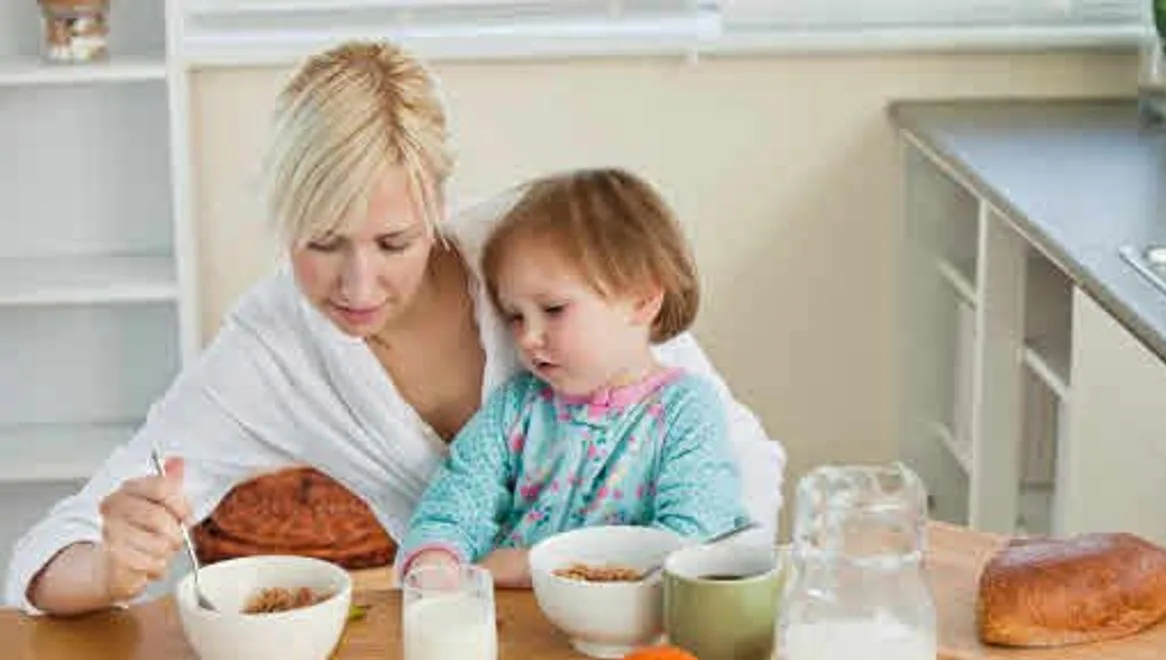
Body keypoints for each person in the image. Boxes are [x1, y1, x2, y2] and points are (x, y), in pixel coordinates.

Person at [4, 40, 785, 617]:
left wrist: (691, 594)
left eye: (394, 243)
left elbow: (739, 453)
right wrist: (109, 566)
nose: (357, 285)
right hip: (463, 645)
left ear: (438, 200)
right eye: (320, 243)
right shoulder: (272, 350)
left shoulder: (548, 254)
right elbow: (44, 559)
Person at [398, 167, 751, 579]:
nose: (528, 337)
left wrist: (537, 565)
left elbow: (693, 539)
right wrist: (435, 561)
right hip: (518, 623)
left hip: (638, 626)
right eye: (514, 316)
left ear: (641, 301)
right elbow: (457, 500)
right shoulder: (516, 408)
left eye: (553, 310)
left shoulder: (685, 410)